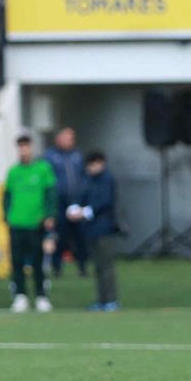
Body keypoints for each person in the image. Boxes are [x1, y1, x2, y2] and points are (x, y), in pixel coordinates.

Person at [3, 134, 55, 314]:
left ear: (31, 148)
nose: (23, 150)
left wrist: (49, 215)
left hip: (36, 223)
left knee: (38, 261)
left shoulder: (42, 169)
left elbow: (50, 193)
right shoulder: (13, 172)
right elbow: (7, 196)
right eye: (20, 147)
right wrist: (7, 216)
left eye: (26, 146)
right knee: (17, 261)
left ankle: (41, 295)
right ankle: (20, 296)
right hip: (17, 223)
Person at [76, 150, 122, 311]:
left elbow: (105, 202)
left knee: (106, 266)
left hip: (104, 229)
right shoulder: (88, 180)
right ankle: (101, 300)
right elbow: (82, 197)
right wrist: (76, 209)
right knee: (97, 267)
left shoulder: (107, 179)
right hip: (90, 229)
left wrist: (87, 212)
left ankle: (111, 300)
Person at [44, 127, 87, 279]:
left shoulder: (77, 155)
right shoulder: (50, 156)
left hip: (76, 202)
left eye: (71, 138)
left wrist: (82, 199)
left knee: (80, 236)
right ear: (59, 139)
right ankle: (57, 267)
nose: (70, 141)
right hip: (59, 203)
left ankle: (82, 267)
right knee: (59, 236)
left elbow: (83, 177)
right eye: (67, 137)